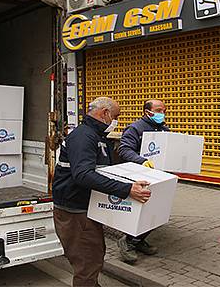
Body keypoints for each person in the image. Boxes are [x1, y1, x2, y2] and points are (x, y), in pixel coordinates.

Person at [53, 97, 152, 287]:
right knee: (88, 262)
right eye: (116, 116)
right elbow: (83, 175)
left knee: (93, 256)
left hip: (85, 209)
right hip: (74, 211)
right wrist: (127, 189)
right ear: (105, 113)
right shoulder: (84, 137)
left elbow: (103, 171)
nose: (116, 122)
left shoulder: (97, 136)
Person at [116, 99, 169, 263]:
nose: (162, 113)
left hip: (160, 176)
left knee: (158, 212)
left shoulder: (163, 129)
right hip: (140, 176)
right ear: (148, 112)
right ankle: (127, 241)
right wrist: (142, 161)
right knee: (142, 211)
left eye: (164, 110)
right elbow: (123, 149)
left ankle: (138, 240)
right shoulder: (135, 129)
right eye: (158, 110)